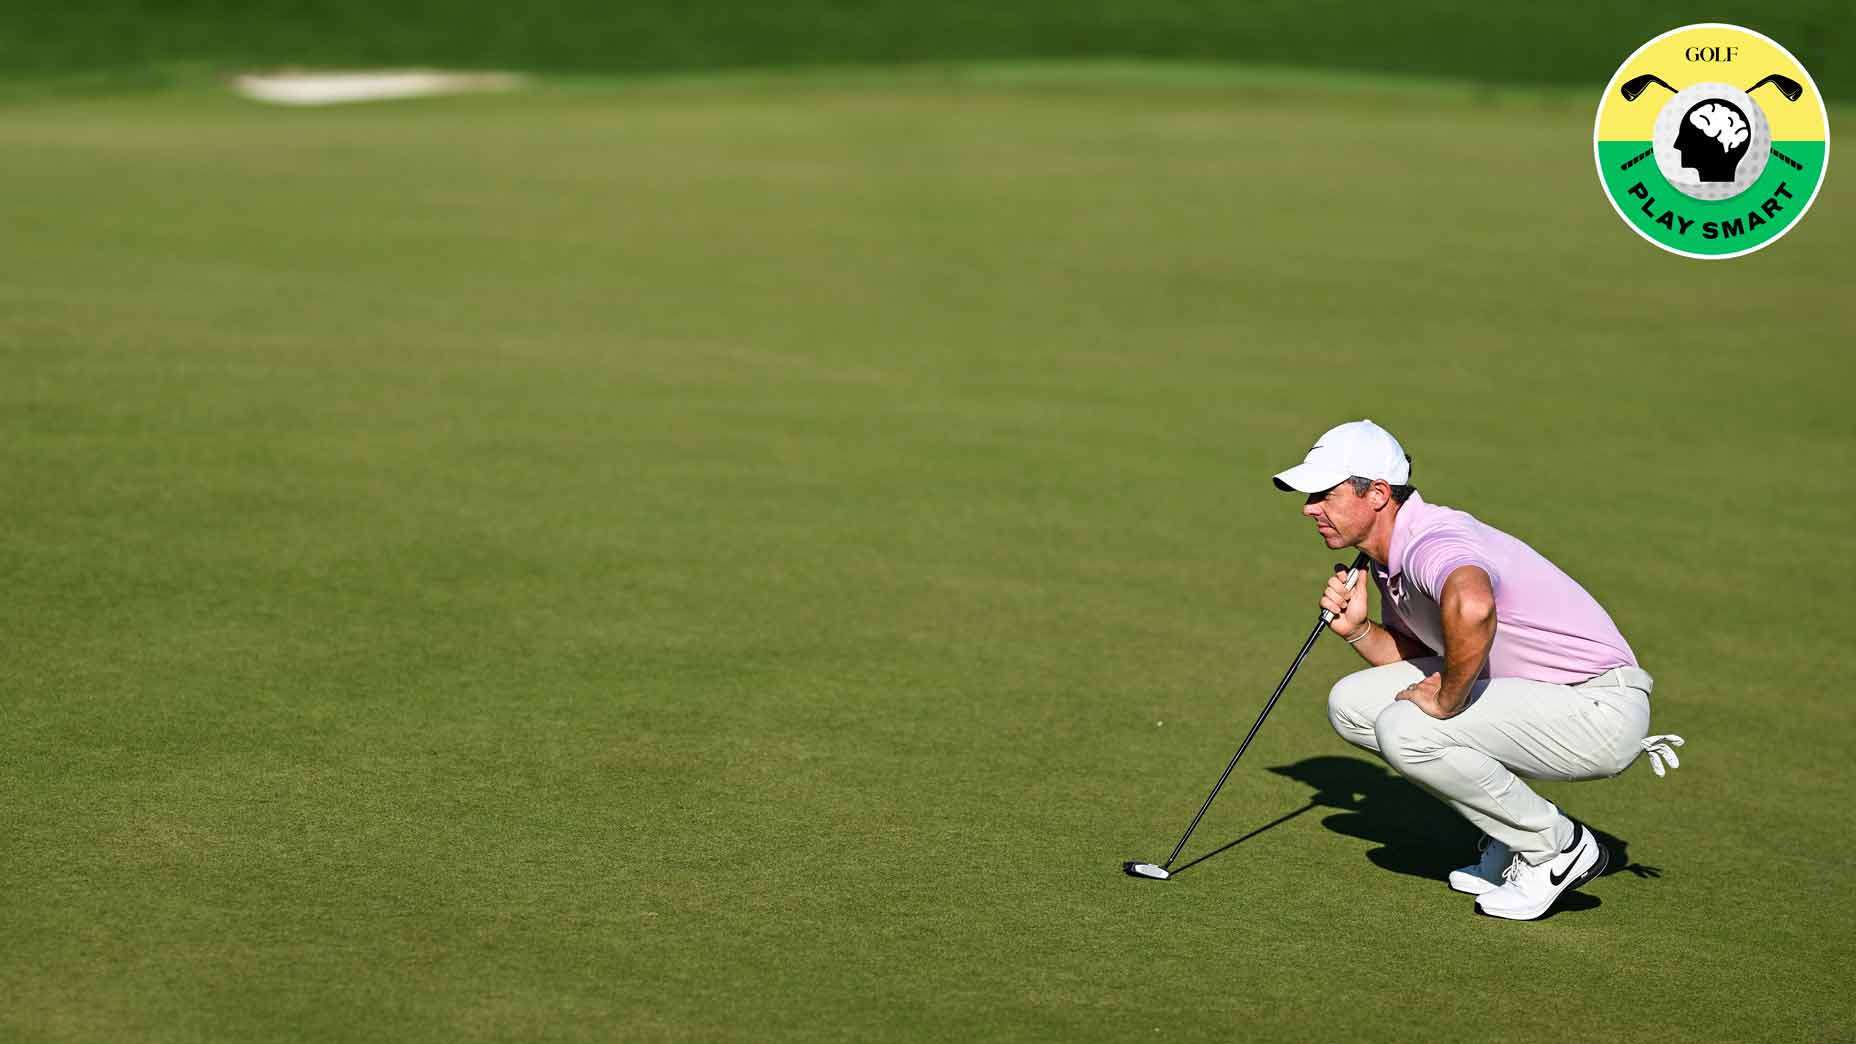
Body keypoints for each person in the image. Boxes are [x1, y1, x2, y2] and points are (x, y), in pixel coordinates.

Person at [1270, 419, 1684, 921]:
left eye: (1324, 494)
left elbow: (1472, 608)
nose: (1309, 507)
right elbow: (1438, 657)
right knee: (1354, 706)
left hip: (1596, 709)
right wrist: (1361, 632)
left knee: (1407, 727)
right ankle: (1514, 837)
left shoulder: (1432, 542)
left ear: (1377, 493)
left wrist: (1448, 700)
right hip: (1540, 698)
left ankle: (1556, 848)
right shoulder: (1388, 560)